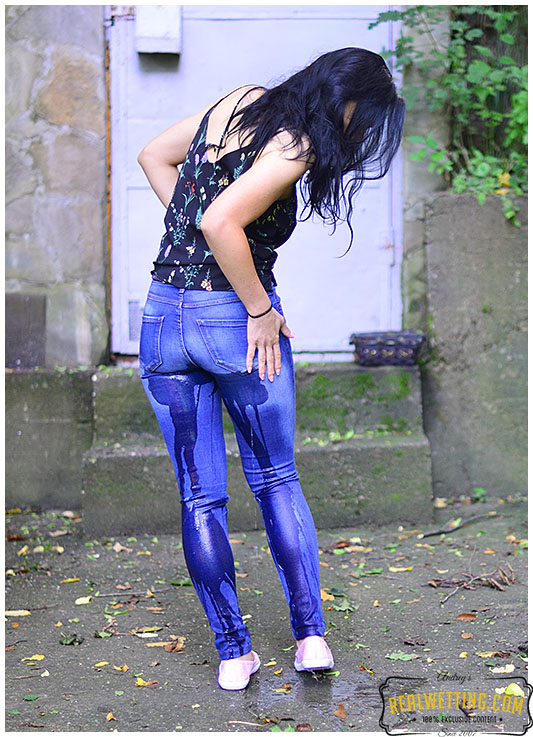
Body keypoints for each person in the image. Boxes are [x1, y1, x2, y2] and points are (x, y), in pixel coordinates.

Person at [137, 47, 405, 691]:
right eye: (364, 118)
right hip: (232, 322)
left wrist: (197, 242)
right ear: (345, 100)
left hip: (163, 318)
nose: (361, 132)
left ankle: (234, 655)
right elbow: (219, 219)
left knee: (199, 496)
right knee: (277, 481)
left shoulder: (239, 102)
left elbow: (153, 156)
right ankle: (311, 640)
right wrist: (258, 309)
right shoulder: (296, 144)